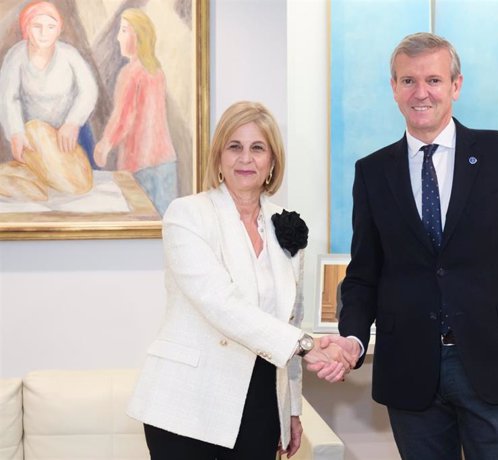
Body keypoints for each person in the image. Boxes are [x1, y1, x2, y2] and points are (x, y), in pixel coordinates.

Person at [321, 32, 498, 459]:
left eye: (433, 80)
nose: (421, 92)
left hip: (497, 370)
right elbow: (363, 276)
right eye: (408, 81)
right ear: (394, 89)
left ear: (456, 85)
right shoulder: (373, 172)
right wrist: (353, 340)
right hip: (411, 373)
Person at [127, 101, 356, 460]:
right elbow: (220, 303)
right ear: (219, 156)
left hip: (261, 401)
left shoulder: (285, 224)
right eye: (234, 147)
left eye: (257, 148)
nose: (245, 159)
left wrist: (291, 410)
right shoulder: (187, 215)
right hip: (186, 404)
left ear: (272, 161)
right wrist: (309, 345)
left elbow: (289, 319)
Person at [94, 8, 178, 216]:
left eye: (123, 31)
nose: (118, 37)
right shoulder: (156, 72)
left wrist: (104, 145)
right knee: (165, 226)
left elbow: (123, 117)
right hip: (165, 163)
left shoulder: (130, 73)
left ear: (138, 36)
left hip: (139, 164)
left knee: (141, 226)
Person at [0, 1, 98, 165]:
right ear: (26, 28)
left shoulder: (69, 55)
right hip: (33, 137)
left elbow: (88, 90)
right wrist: (16, 132)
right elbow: (7, 97)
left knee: (83, 184)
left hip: (71, 133)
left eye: (51, 27)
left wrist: (72, 122)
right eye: (37, 26)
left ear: (58, 30)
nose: (44, 33)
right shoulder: (16, 56)